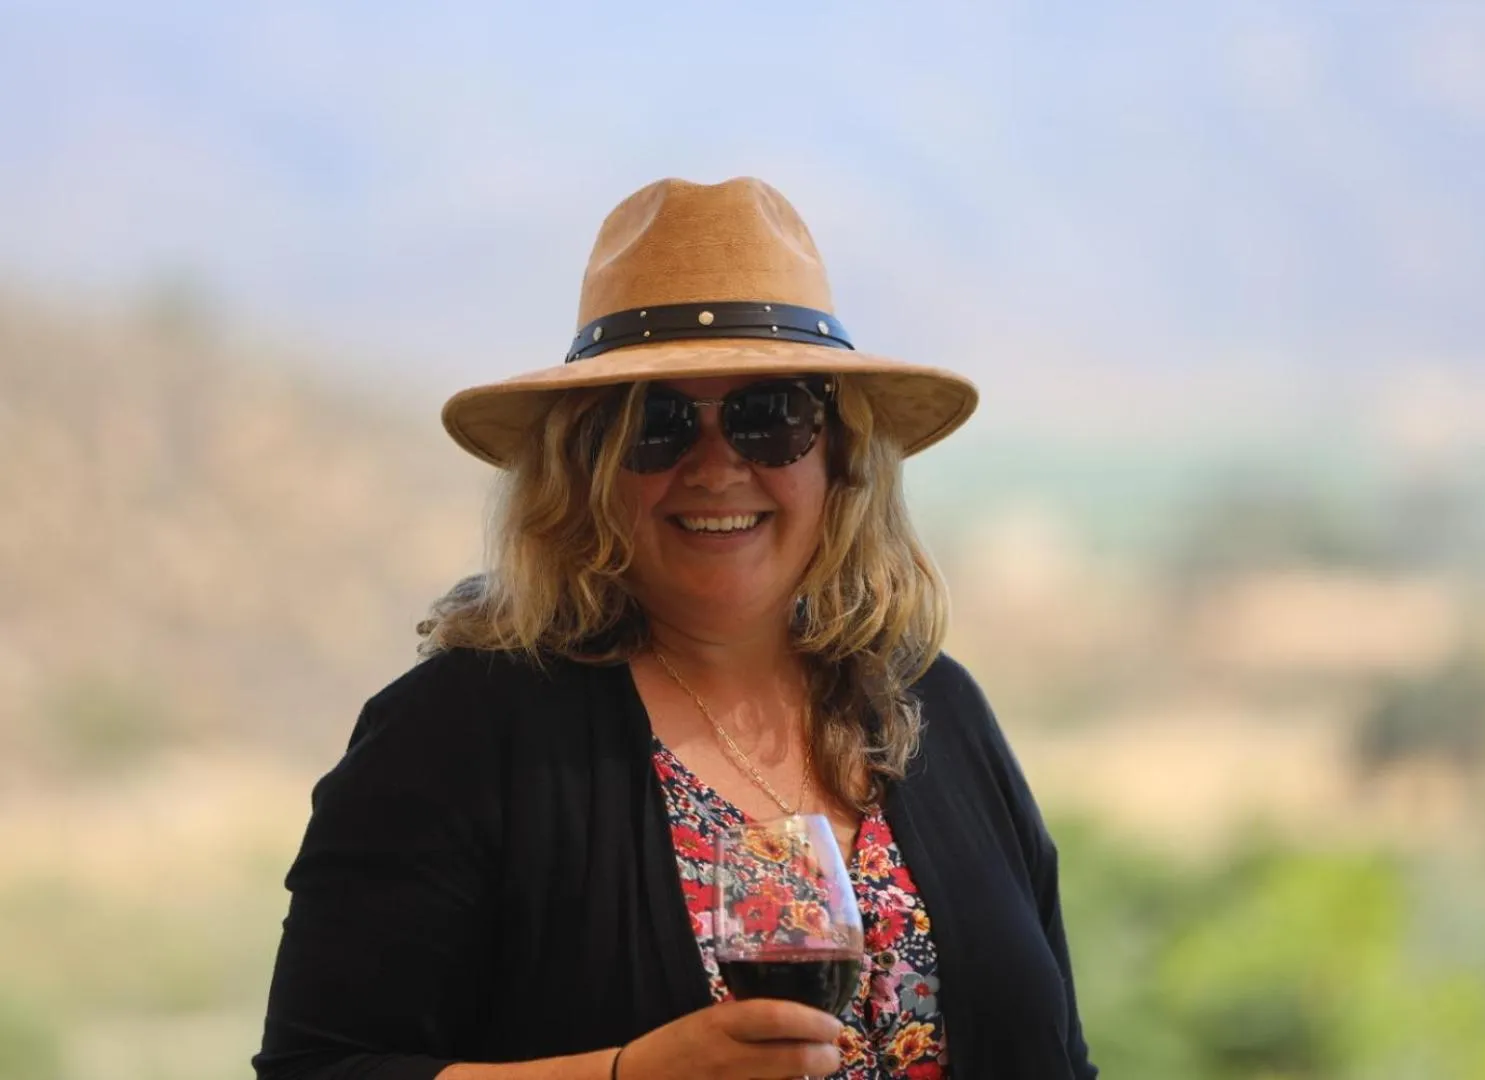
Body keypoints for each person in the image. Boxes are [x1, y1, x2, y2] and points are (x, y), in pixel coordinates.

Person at [253, 177, 1098, 1080]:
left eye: (769, 418)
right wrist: (623, 1077)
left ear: (841, 456)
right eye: (656, 425)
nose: (716, 467)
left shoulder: (931, 706)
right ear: (584, 467)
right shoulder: (454, 734)